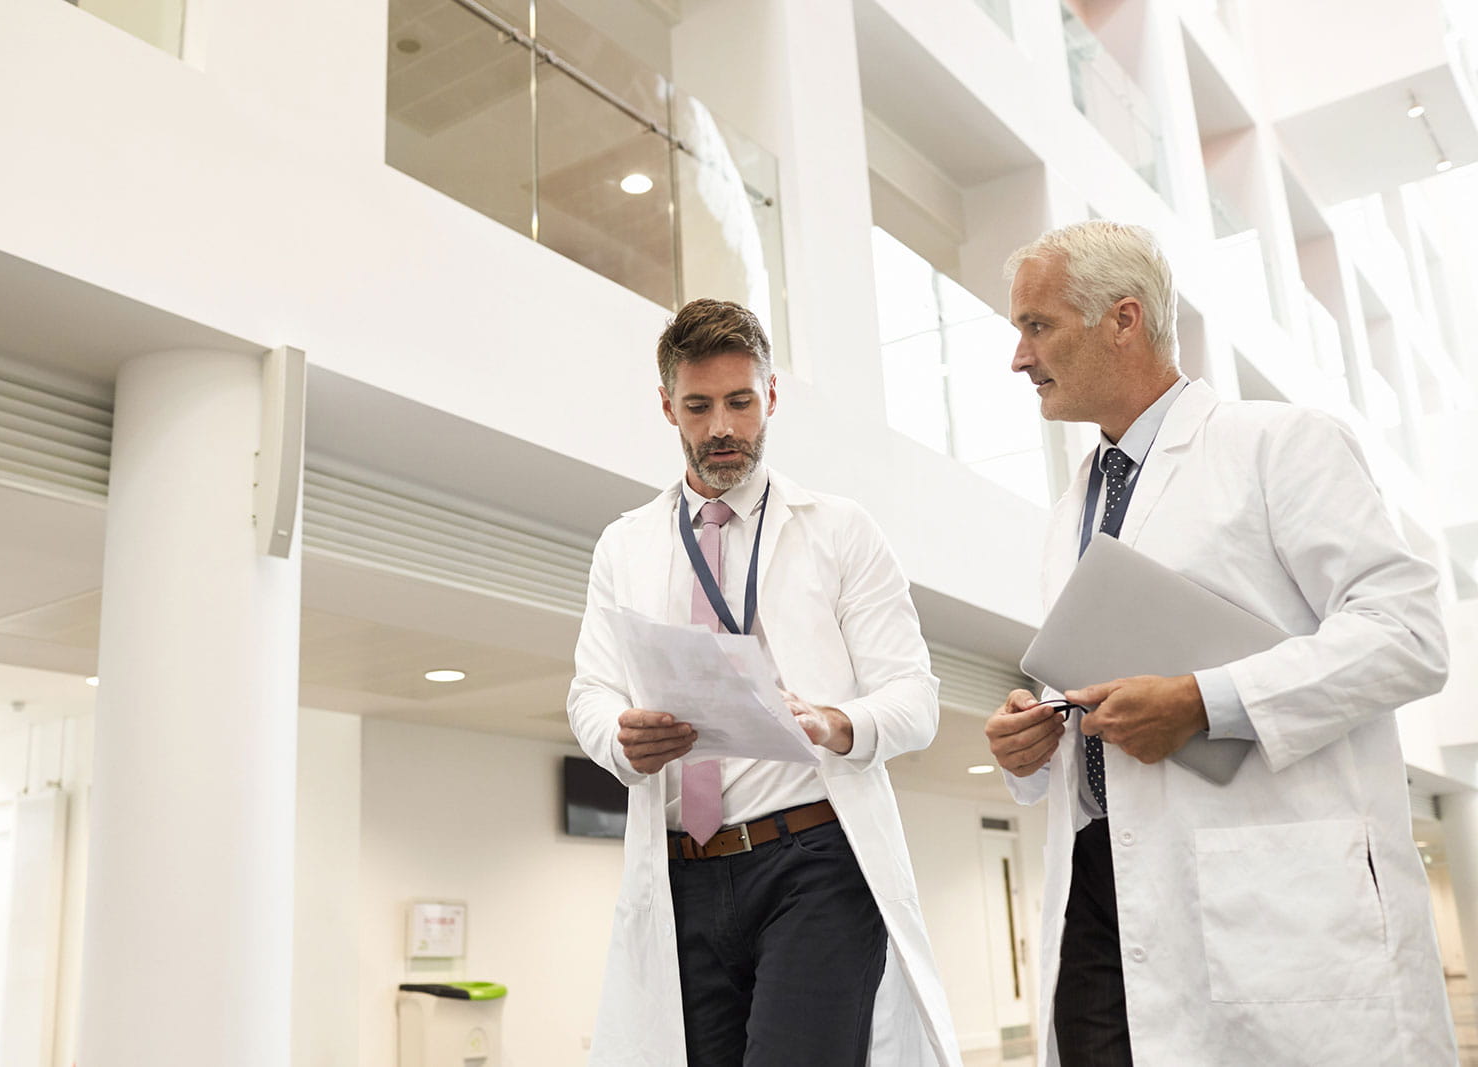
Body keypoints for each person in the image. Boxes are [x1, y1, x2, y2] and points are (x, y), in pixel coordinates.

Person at [983, 220, 1455, 1065]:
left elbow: (1407, 629)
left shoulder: (1278, 444)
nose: (1019, 358)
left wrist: (1205, 700)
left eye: (1037, 325)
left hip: (1260, 888)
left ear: (1123, 320)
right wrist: (1032, 747)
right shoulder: (1071, 511)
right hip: (1098, 890)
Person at [568, 298, 961, 1066]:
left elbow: (914, 698)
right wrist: (620, 738)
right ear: (666, 406)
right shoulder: (625, 545)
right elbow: (590, 690)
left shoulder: (840, 530)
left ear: (771, 396)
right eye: (699, 405)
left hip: (812, 861)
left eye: (741, 402)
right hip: (683, 872)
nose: (722, 427)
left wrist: (833, 722)